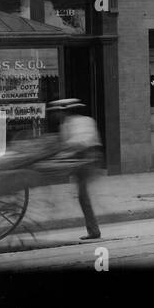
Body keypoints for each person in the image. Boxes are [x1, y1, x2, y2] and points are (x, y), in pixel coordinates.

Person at [47, 98, 103, 240]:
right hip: (79, 160)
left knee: (83, 196)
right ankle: (93, 230)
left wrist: (63, 154)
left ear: (65, 111)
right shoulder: (67, 124)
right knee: (82, 196)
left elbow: (81, 142)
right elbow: (67, 146)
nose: (56, 115)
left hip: (87, 161)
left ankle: (94, 231)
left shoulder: (83, 122)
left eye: (58, 112)